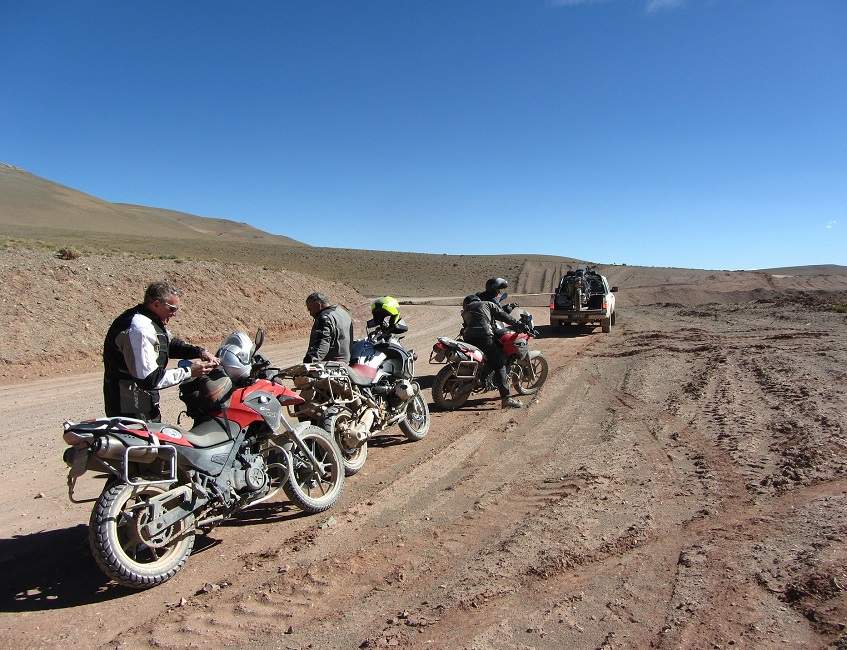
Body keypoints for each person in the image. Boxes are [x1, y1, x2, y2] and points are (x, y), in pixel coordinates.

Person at [103, 281, 218, 422]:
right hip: (131, 406)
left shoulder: (147, 319)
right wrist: (189, 371)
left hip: (139, 400)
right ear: (156, 304)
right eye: (172, 309)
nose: (174, 314)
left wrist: (200, 352)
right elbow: (150, 380)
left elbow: (166, 345)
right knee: (148, 436)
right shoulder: (139, 329)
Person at [461, 294, 524, 409]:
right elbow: (503, 315)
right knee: (499, 363)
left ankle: (483, 376)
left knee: (489, 357)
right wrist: (517, 323)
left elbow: (467, 326)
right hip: (484, 337)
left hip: (468, 339)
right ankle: (506, 399)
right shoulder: (487, 304)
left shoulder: (465, 311)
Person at [304, 292, 354, 363]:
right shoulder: (343, 312)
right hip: (345, 362)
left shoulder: (324, 317)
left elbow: (322, 344)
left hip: (331, 365)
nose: (310, 313)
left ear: (318, 304)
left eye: (310, 309)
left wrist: (310, 361)